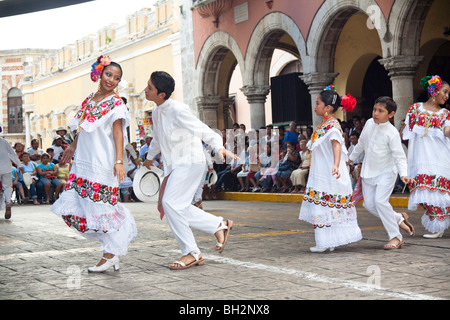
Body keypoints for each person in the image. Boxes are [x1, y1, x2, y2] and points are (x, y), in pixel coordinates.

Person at [51, 55, 137, 272]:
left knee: (102, 208)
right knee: (76, 210)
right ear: (100, 73)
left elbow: (118, 134)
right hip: (83, 161)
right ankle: (112, 247)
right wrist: (72, 146)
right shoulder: (91, 99)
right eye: (109, 74)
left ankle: (110, 254)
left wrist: (119, 161)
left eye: (117, 78)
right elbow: (85, 128)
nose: (111, 80)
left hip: (103, 162)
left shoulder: (116, 103)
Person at [142, 71, 235, 270]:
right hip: (176, 165)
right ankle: (218, 225)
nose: (145, 90)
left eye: (150, 88)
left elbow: (203, 129)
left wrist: (219, 146)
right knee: (177, 206)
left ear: (162, 94)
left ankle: (191, 253)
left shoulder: (178, 109)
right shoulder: (157, 111)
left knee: (170, 203)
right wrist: (149, 159)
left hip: (191, 162)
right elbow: (157, 139)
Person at [299, 88, 362, 252]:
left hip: (329, 172)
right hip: (322, 170)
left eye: (318, 103)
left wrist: (335, 164)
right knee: (327, 206)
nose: (315, 106)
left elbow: (336, 145)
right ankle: (328, 241)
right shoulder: (325, 124)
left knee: (326, 206)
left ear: (328, 108)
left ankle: (325, 242)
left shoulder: (332, 125)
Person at [349, 96, 416, 249]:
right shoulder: (368, 124)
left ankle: (396, 237)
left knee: (380, 202)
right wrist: (349, 159)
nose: (376, 113)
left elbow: (399, 156)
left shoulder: (392, 133)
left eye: (381, 111)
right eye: (374, 109)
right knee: (369, 205)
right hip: (367, 172)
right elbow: (360, 144)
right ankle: (398, 218)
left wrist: (403, 174)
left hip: (386, 173)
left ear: (390, 114)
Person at [403, 76, 450, 238]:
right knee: (421, 191)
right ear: (434, 91)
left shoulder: (445, 114)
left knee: (438, 192)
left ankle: (438, 226)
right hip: (419, 157)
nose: (447, 96)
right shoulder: (415, 109)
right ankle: (437, 223)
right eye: (445, 91)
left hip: (439, 157)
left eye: (448, 93)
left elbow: (446, 131)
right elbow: (406, 132)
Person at [0, 134, 21, 219]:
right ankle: (8, 201)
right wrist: (19, 164)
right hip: (6, 168)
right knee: (7, 187)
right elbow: (12, 154)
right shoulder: (4, 141)